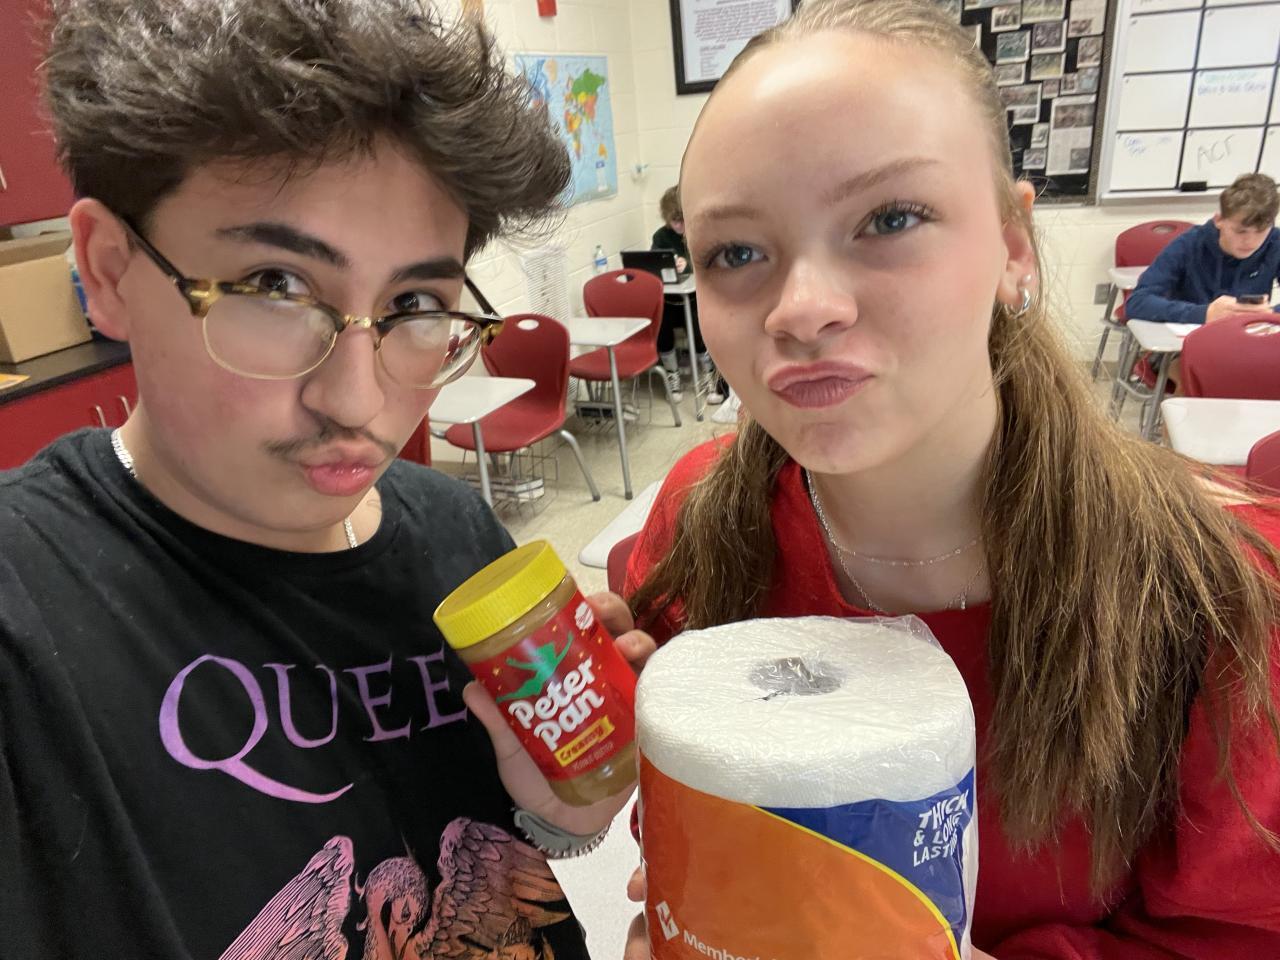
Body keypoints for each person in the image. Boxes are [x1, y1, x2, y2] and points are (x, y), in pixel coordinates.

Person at [619, 0, 1280, 957]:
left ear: (1014, 245)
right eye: (736, 253)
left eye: (889, 219)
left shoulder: (1223, 596)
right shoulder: (700, 521)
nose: (801, 309)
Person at [0, 2, 653, 956]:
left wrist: (556, 815)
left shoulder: (456, 537)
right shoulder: (23, 614)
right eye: (276, 285)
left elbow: (508, 869)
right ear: (107, 270)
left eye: (415, 301)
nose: (359, 400)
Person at [1126, 172, 1280, 325]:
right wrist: (1203, 313)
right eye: (1240, 231)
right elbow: (1137, 302)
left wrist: (1268, 314)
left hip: (1248, 334)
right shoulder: (1188, 244)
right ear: (1219, 220)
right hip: (1190, 335)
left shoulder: (1275, 242)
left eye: (1261, 232)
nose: (1250, 242)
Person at [651, 186, 725, 405]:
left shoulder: (702, 233)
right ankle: (672, 376)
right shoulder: (661, 237)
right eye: (674, 221)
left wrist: (689, 265)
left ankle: (709, 375)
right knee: (661, 323)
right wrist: (668, 267)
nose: (679, 226)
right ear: (667, 219)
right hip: (671, 300)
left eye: (682, 220)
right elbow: (653, 265)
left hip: (696, 299)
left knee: (698, 323)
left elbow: (713, 264)